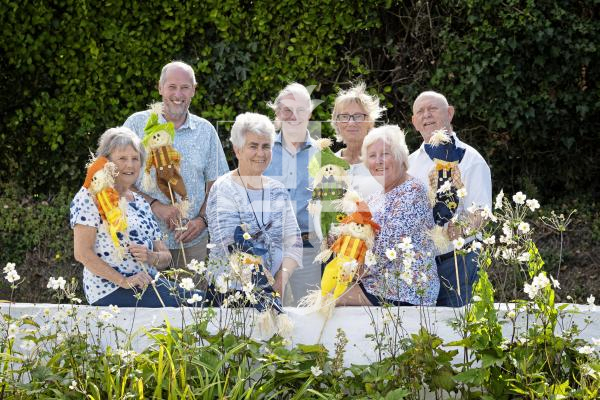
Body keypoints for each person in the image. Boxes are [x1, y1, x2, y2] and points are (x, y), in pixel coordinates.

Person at [71, 127, 206, 307]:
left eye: (135, 159)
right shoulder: (91, 196)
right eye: (122, 158)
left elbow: (165, 256)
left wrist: (151, 256)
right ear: (106, 162)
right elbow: (82, 253)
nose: (130, 165)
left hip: (148, 285)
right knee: (195, 305)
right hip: (111, 290)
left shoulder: (141, 203)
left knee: (205, 299)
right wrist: (124, 281)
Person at [123, 61, 228, 268]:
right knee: (145, 299)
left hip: (192, 244)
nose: (178, 94)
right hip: (143, 242)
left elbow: (218, 185)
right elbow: (116, 178)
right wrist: (155, 205)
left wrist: (201, 221)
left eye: (185, 87)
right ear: (160, 88)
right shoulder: (137, 125)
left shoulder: (205, 131)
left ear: (193, 91)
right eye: (172, 87)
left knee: (191, 299)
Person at [336, 125, 440, 306]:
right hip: (376, 283)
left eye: (385, 154)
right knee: (328, 291)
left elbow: (388, 246)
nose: (378, 161)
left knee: (331, 299)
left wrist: (350, 270)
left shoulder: (413, 191)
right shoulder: (375, 198)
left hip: (406, 289)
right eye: (372, 156)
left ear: (400, 157)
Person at [408, 90, 492, 307]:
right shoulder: (408, 164)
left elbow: (481, 213)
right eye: (420, 112)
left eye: (432, 109)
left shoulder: (470, 160)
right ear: (414, 122)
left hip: (459, 261)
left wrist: (458, 228)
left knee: (460, 330)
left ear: (450, 113)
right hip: (418, 266)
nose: (426, 115)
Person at [206, 112, 303, 300]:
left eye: (266, 146)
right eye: (253, 146)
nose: (261, 153)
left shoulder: (278, 190)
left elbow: (295, 241)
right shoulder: (223, 188)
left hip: (276, 291)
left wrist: (280, 282)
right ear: (238, 150)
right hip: (232, 294)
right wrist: (264, 288)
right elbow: (230, 246)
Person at [263, 83, 320, 305]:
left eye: (300, 109)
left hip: (309, 251)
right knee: (270, 316)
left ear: (310, 112)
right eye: (287, 109)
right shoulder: (262, 150)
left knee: (310, 315)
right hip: (269, 249)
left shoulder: (323, 154)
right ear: (277, 113)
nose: (293, 115)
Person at [331, 82, 385, 199]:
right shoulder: (327, 164)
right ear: (337, 123)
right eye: (344, 116)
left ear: (370, 121)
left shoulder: (385, 162)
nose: (351, 122)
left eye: (358, 116)